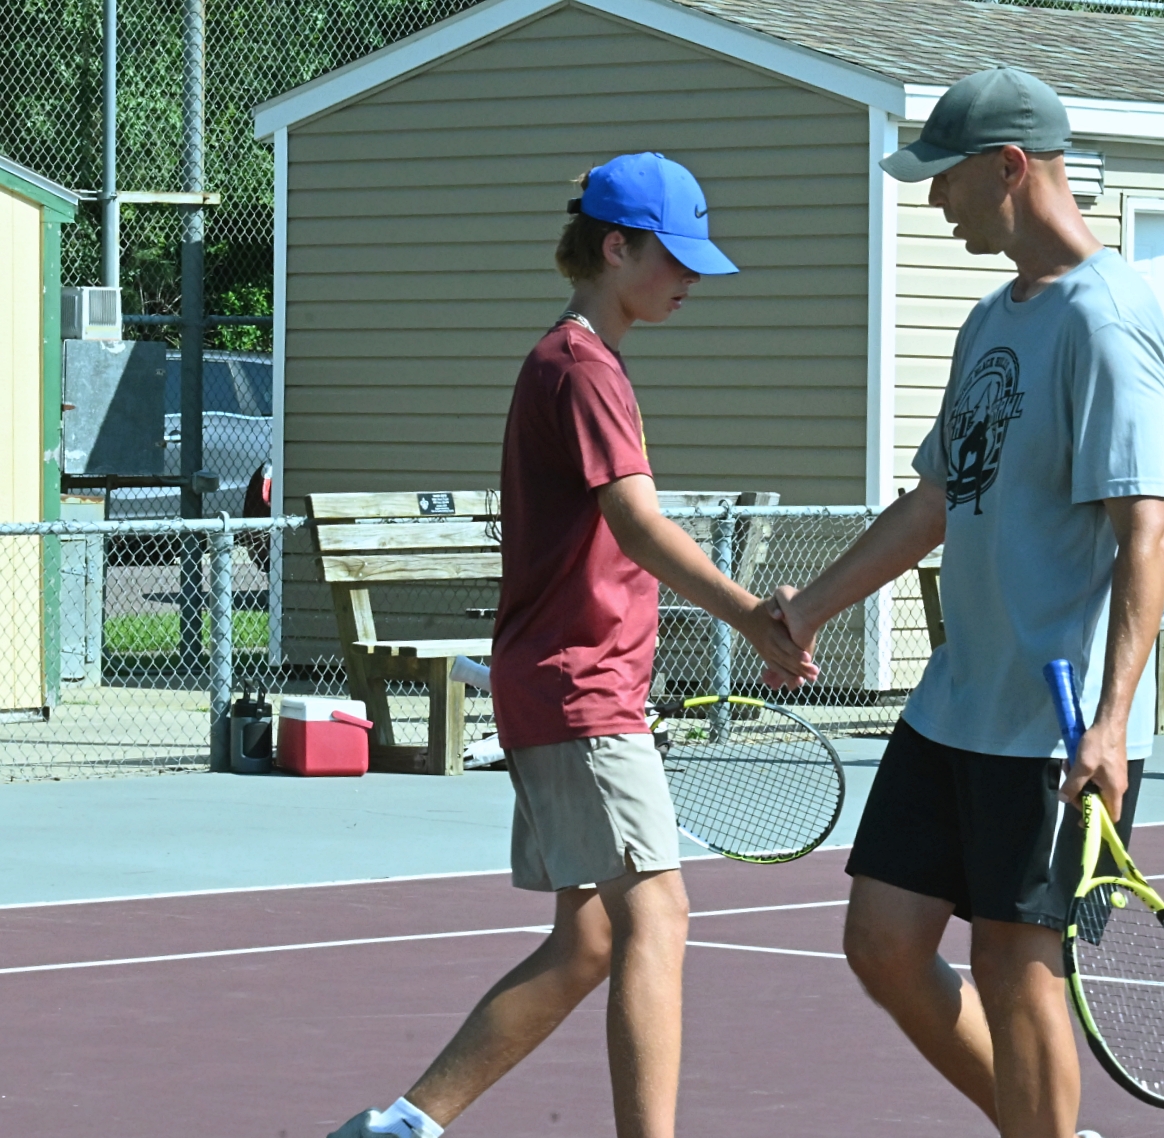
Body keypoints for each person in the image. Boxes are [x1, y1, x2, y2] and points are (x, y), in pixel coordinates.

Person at [330, 152, 817, 1138]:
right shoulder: (581, 366)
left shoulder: (578, 360)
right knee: (658, 914)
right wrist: (750, 614)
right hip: (578, 688)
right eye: (672, 259)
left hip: (569, 688)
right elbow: (636, 525)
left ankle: (402, 1127)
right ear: (614, 246)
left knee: (591, 935)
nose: (688, 281)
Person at [768, 68, 1164, 1138]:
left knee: (1014, 959)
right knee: (883, 941)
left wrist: (1112, 719)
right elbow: (937, 502)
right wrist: (809, 608)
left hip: (1055, 721)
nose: (934, 201)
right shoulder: (992, 319)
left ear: (1010, 166)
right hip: (956, 704)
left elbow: (1149, 530)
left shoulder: (1108, 320)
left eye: (945, 179)